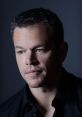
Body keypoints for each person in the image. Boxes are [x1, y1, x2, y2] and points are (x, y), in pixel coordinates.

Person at [0, 8, 82, 117]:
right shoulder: (5, 113)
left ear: (62, 52)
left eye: (39, 50)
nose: (29, 61)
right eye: (21, 51)